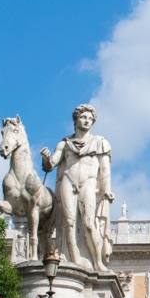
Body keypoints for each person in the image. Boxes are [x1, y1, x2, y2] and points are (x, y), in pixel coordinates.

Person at [40, 104, 114, 271]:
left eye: (90, 118)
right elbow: (50, 166)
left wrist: (107, 189)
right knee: (68, 223)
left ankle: (97, 262)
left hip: (89, 182)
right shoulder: (65, 144)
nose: (87, 121)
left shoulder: (100, 143)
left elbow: (105, 170)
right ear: (76, 119)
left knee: (89, 223)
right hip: (68, 180)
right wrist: (45, 158)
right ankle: (74, 259)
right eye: (83, 117)